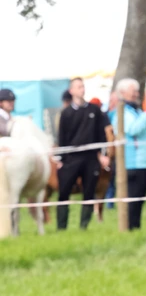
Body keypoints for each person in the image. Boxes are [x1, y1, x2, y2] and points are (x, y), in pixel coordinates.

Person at [55, 77, 110, 229]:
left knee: (89, 192)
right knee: (64, 192)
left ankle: (84, 226)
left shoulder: (94, 110)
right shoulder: (66, 113)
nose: (82, 89)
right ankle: (61, 227)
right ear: (72, 90)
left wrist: (103, 154)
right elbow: (62, 137)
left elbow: (101, 135)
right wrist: (61, 159)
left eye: (83, 86)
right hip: (71, 158)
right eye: (78, 87)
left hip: (90, 157)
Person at [109, 79, 146, 230]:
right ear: (122, 93)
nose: (136, 94)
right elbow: (133, 129)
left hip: (144, 162)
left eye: (137, 91)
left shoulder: (138, 112)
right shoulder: (121, 113)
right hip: (131, 163)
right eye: (133, 91)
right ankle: (129, 228)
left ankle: (135, 228)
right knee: (132, 199)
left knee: (140, 199)